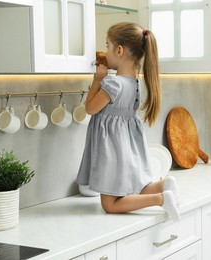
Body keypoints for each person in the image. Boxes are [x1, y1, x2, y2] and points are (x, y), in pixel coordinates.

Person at [76, 22, 180, 221]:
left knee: (110, 204)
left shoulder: (112, 83)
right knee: (138, 188)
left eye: (107, 46)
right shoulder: (135, 84)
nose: (105, 52)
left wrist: (97, 80)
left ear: (120, 50)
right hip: (127, 150)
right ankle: (165, 186)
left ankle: (160, 198)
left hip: (111, 152)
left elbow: (90, 108)